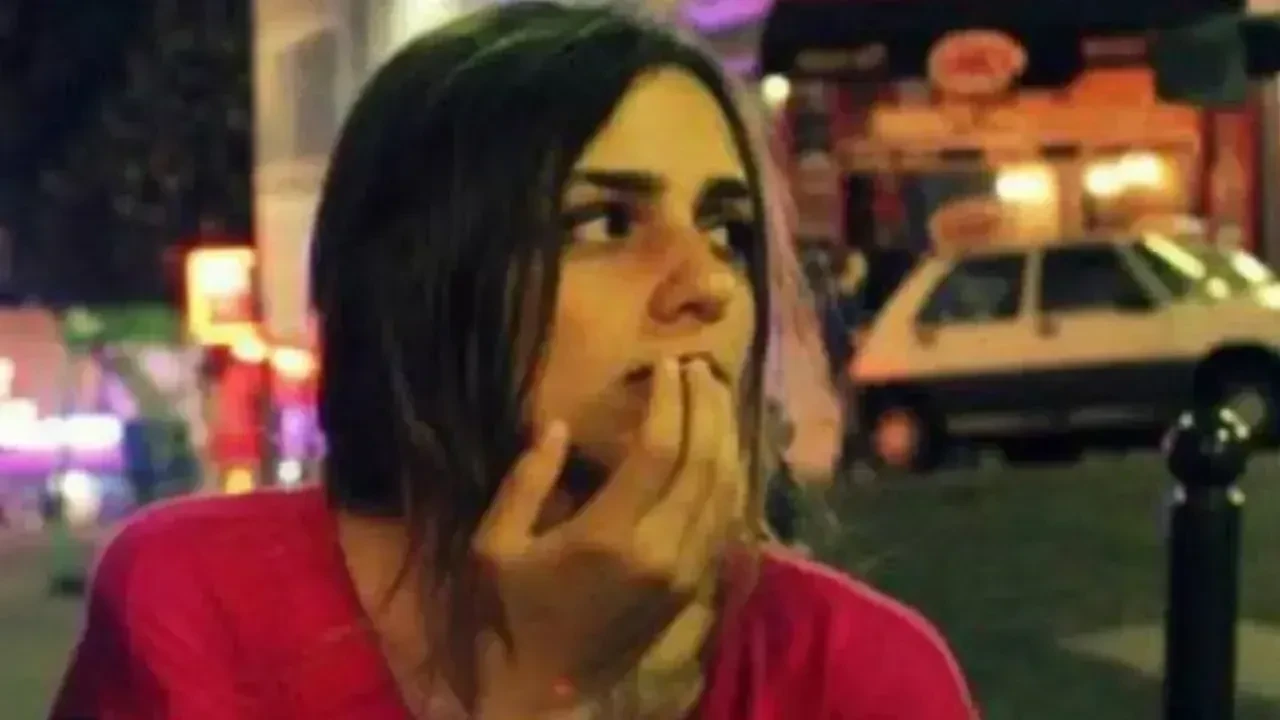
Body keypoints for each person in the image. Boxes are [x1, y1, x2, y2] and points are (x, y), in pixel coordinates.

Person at [50, 4, 975, 718]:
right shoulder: (194, 604)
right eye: (607, 222)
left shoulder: (858, 673)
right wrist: (539, 690)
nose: (708, 285)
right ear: (420, 275)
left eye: (727, 230)